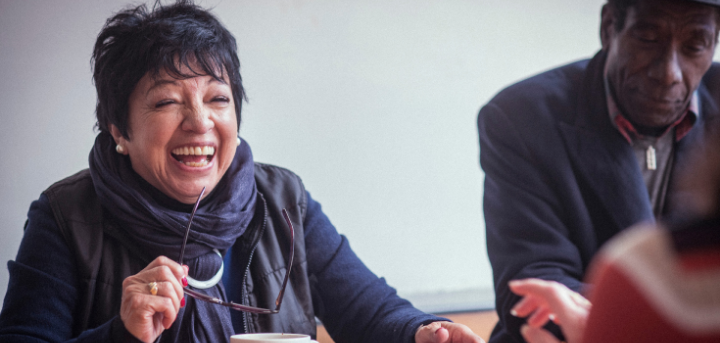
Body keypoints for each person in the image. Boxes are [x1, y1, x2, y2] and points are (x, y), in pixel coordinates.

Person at [0, 2, 484, 343]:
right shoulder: (66, 216)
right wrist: (121, 334)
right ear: (119, 131)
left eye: (217, 98)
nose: (200, 122)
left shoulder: (282, 197)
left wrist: (425, 332)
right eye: (168, 101)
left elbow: (369, 310)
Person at [477, 0, 720, 342]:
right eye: (648, 38)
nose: (669, 73)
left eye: (695, 46)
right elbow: (535, 286)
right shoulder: (521, 117)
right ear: (609, 28)